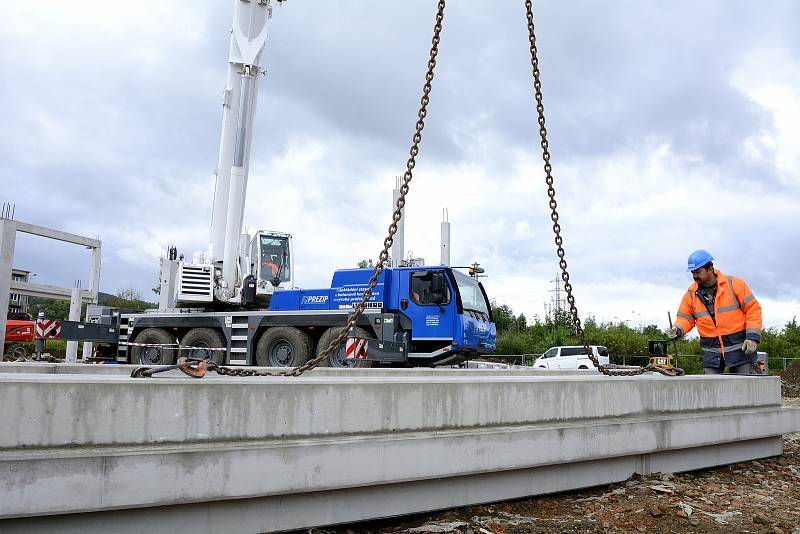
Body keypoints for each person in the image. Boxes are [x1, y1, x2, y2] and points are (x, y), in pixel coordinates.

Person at [667, 250, 762, 374]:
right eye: (693, 273)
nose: (695, 276)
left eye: (698, 272)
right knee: (710, 390)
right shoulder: (691, 294)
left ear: (710, 269)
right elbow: (685, 318)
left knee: (745, 388)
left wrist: (752, 338)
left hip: (740, 350)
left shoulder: (734, 285)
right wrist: (677, 329)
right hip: (711, 353)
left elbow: (753, 310)